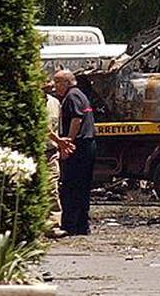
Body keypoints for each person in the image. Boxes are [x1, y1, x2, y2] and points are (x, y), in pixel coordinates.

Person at [54, 69, 96, 236]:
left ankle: (71, 224)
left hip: (79, 146)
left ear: (67, 82)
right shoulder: (80, 94)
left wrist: (68, 143)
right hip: (87, 145)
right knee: (82, 187)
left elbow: (76, 119)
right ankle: (81, 225)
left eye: (58, 82)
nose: (55, 86)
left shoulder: (71, 97)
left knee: (71, 186)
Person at [43, 77, 74, 237]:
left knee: (52, 189)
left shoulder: (55, 103)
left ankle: (52, 226)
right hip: (36, 153)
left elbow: (56, 127)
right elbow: (43, 127)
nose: (50, 85)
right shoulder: (31, 104)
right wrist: (60, 141)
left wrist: (60, 145)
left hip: (51, 153)